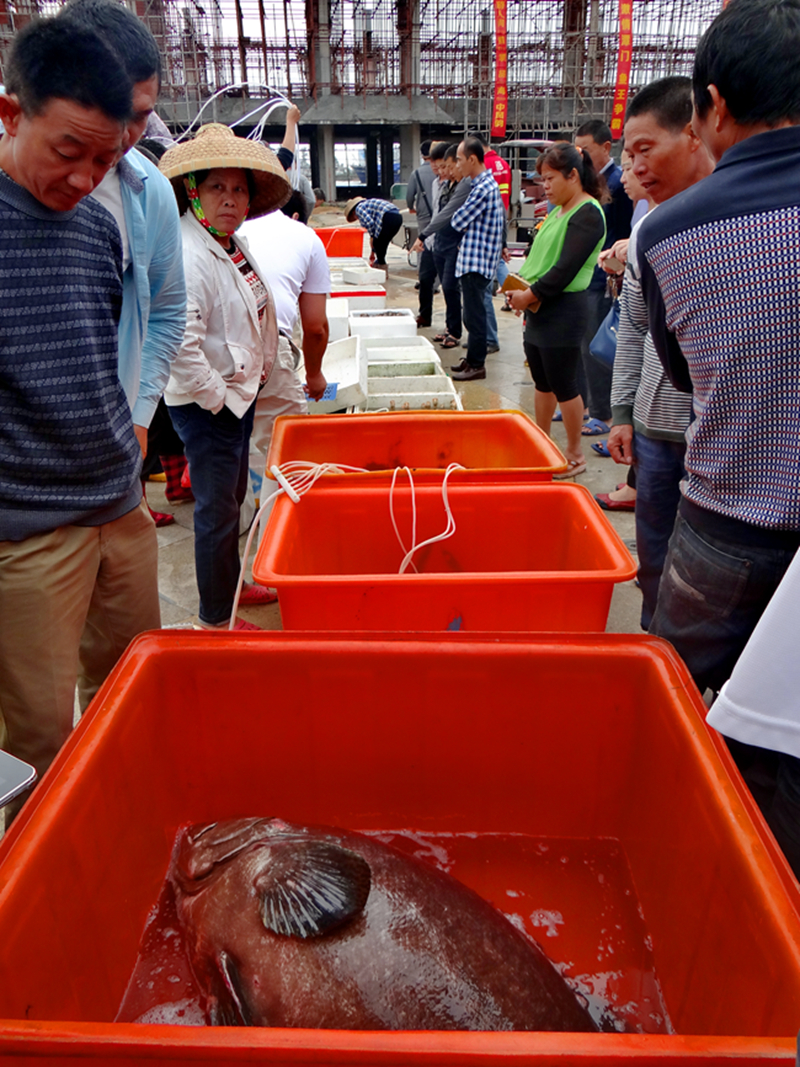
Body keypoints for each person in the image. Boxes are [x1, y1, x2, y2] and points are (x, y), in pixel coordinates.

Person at [0, 18, 157, 815]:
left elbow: (103, 354)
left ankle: (127, 831)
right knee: (38, 743)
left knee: (132, 695)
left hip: (119, 508)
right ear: (10, 114)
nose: (86, 178)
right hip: (29, 533)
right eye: (69, 151)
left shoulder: (98, 226)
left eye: (105, 159)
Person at [637, 0, 800, 696]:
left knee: (675, 696)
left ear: (715, 105)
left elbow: (682, 374)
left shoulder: (669, 231)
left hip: (730, 522)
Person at [57, 0, 186, 540]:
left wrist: (137, 414)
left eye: (141, 114)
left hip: (115, 455)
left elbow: (167, 311)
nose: (126, 133)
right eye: (113, 110)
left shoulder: (148, 190)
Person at [159, 124, 291, 630]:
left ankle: (233, 588)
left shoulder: (229, 241)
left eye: (238, 188)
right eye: (217, 187)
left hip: (236, 395)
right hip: (209, 404)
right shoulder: (190, 252)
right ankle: (215, 620)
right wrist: (218, 398)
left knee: (231, 501)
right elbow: (179, 343)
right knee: (217, 514)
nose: (230, 198)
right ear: (194, 191)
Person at [607, 77, 712, 630]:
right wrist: (623, 411)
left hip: (712, 437)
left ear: (695, 134)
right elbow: (632, 328)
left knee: (704, 577)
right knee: (653, 555)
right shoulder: (648, 232)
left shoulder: (729, 221)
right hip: (654, 428)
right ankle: (654, 646)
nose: (637, 168)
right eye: (629, 156)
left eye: (646, 149)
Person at [507, 143, 606, 478]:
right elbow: (541, 258)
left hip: (563, 308)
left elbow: (565, 269)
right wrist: (522, 293)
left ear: (573, 175)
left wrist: (529, 294)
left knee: (564, 383)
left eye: (550, 178)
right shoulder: (558, 211)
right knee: (542, 380)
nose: (545, 186)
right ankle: (544, 443)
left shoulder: (587, 214)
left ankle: (575, 454)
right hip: (539, 304)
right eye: (543, 179)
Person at [241, 189, 329, 483]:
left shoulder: (225, 227)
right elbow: (315, 327)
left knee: (229, 452)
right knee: (289, 451)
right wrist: (314, 375)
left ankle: (241, 511)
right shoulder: (305, 237)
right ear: (297, 216)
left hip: (214, 347)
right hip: (268, 343)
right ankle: (279, 509)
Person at [593, 147, 654, 513]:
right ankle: (635, 481)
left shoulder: (661, 220)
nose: (628, 177)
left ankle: (637, 485)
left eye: (631, 167)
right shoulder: (643, 213)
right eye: (628, 166)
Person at [574, 119, 634, 435]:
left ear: (606, 147)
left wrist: (616, 269)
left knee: (598, 347)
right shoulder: (590, 182)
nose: (581, 156)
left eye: (586, 149)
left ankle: (604, 413)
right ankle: (584, 404)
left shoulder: (619, 184)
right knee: (582, 346)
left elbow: (621, 235)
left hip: (604, 278)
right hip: (588, 276)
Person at [447, 137, 505, 382]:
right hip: (475, 261)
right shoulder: (483, 185)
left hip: (476, 262)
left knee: (475, 316)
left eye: (460, 160)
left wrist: (460, 219)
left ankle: (477, 364)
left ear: (472, 159)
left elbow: (457, 220)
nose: (457, 165)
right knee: (472, 314)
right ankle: (471, 360)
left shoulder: (482, 189)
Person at [413, 142, 471, 350]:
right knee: (432, 281)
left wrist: (424, 234)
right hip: (439, 241)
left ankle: (455, 331)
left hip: (453, 243)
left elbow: (447, 214)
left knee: (450, 286)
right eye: (440, 167)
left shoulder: (466, 185)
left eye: (448, 166)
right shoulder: (445, 185)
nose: (444, 171)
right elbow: (438, 212)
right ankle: (448, 327)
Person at [406, 139, 437, 326]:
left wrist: (411, 207)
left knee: (424, 252)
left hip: (425, 218)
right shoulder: (442, 179)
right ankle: (434, 285)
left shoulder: (417, 173)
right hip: (437, 224)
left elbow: (410, 194)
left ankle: (426, 280)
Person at [344, 196, 402, 267]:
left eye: (355, 218)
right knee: (383, 243)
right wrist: (373, 251)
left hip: (388, 216)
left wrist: (372, 237)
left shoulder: (358, 209)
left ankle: (381, 265)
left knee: (378, 243)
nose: (357, 219)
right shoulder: (367, 205)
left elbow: (370, 223)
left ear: (353, 213)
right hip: (398, 217)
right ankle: (380, 262)